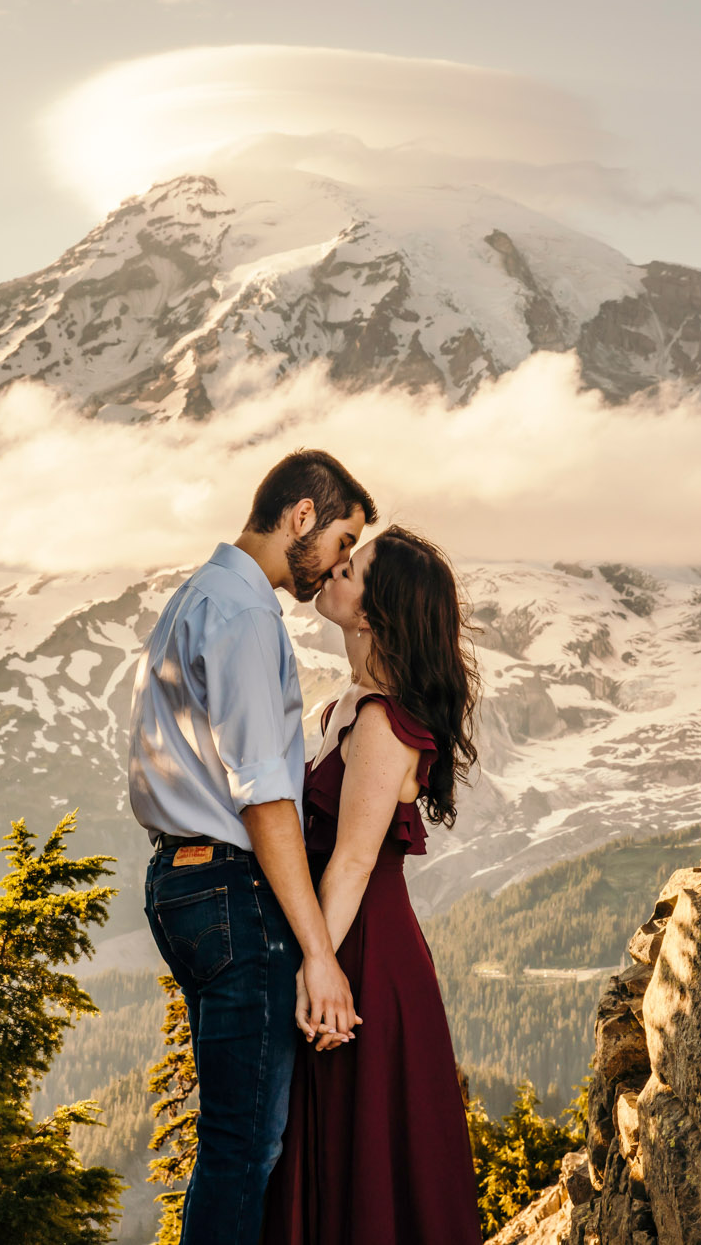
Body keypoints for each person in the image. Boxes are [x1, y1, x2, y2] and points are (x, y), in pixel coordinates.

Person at [127, 449, 376, 1245]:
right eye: (342, 540)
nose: (339, 562)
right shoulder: (243, 615)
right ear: (302, 516)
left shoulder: (197, 597)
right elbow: (264, 797)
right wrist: (318, 951)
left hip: (181, 881)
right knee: (244, 1146)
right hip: (230, 887)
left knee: (233, 1139)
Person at [262, 526, 484, 1245]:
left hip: (363, 955)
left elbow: (353, 861)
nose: (331, 571)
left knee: (364, 1157)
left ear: (373, 610)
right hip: (340, 941)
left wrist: (318, 968)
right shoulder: (343, 709)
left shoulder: (385, 722)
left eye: (350, 569)